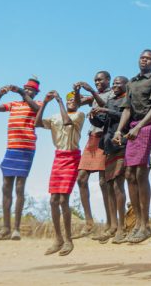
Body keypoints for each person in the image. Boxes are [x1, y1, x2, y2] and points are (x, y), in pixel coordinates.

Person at [114, 49, 151, 244]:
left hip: (150, 125)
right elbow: (127, 109)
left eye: (149, 58)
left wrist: (141, 126)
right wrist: (120, 130)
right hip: (133, 128)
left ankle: (145, 225)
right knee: (129, 174)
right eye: (142, 57)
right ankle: (136, 224)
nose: (144, 60)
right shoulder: (132, 83)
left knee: (141, 174)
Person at [0, 77, 42, 241]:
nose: (28, 91)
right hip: (11, 148)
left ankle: (16, 229)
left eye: (31, 90)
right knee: (6, 187)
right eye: (27, 89)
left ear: (36, 92)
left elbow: (36, 109)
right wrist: (0, 95)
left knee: (19, 188)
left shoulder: (37, 104)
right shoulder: (14, 105)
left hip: (26, 149)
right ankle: (5, 229)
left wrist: (22, 92)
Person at [35, 90, 85, 256]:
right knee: (53, 200)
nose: (71, 101)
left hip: (72, 157)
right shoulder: (54, 116)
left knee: (64, 199)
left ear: (78, 102)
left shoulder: (79, 115)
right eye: (68, 99)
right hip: (58, 158)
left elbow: (66, 122)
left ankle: (68, 240)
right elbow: (37, 123)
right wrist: (46, 102)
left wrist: (60, 101)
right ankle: (58, 239)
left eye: (73, 100)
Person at [73, 71, 112, 240]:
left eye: (100, 79)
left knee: (104, 182)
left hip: (105, 137)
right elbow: (76, 104)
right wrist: (76, 92)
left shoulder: (113, 92)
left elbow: (110, 107)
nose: (97, 82)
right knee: (81, 178)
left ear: (108, 80)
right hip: (92, 138)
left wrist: (92, 91)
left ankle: (111, 223)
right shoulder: (93, 96)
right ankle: (89, 222)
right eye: (95, 80)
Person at [94, 76, 129, 244]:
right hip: (108, 146)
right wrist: (94, 116)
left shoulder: (127, 100)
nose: (115, 85)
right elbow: (103, 121)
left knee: (117, 184)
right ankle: (113, 226)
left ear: (126, 86)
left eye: (118, 83)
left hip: (121, 145)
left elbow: (126, 116)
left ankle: (122, 228)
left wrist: (108, 111)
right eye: (114, 83)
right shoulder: (111, 101)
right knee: (108, 185)